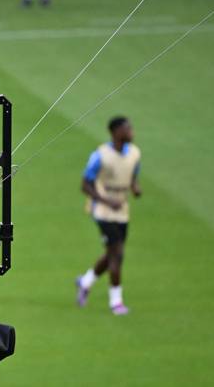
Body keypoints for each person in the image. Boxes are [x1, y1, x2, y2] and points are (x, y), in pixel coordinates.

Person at [75, 116, 141, 315]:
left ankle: (85, 282)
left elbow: (132, 175)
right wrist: (107, 201)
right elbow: (85, 185)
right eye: (127, 128)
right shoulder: (101, 156)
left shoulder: (135, 154)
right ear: (115, 132)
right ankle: (116, 302)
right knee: (118, 254)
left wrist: (135, 187)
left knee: (112, 253)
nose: (131, 131)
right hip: (103, 211)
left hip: (122, 210)